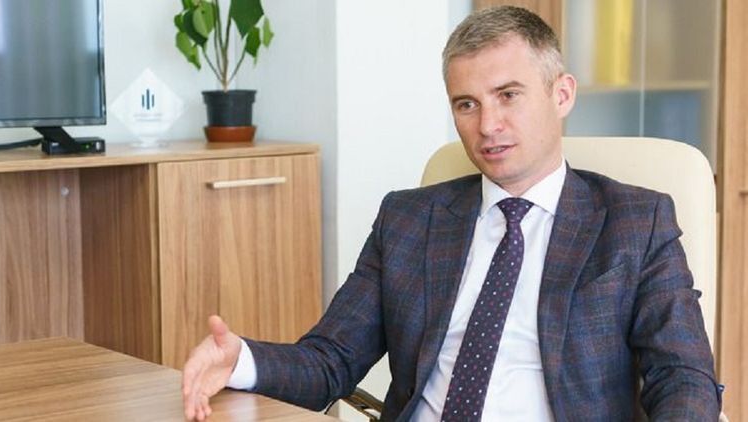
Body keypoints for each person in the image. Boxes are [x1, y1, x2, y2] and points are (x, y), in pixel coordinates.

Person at [182, 6, 721, 421]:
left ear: (561, 95)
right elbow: (331, 361)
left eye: (508, 95)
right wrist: (242, 360)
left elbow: (683, 378)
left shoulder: (635, 222)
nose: (487, 125)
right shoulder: (408, 220)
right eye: (467, 104)